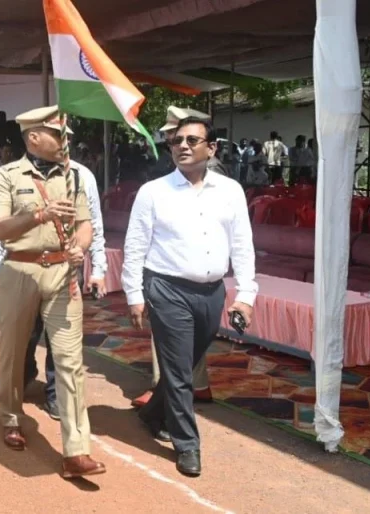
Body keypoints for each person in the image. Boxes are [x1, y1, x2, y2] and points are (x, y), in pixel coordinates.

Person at [123, 117, 258, 477]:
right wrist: (134, 294)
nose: (182, 146)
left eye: (192, 140)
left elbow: (243, 245)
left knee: (182, 365)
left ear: (211, 148)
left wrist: (246, 294)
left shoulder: (231, 191)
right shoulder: (153, 192)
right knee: (181, 371)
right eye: (176, 141)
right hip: (167, 289)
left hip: (212, 292)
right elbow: (135, 246)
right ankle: (188, 444)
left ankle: (153, 413)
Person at [0, 106, 105, 478]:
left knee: (70, 361)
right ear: (34, 137)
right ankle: (10, 417)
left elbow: (86, 225)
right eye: (58, 134)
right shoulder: (5, 177)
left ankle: (76, 450)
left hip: (62, 273)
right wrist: (38, 215)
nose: (65, 141)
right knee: (14, 350)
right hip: (20, 270)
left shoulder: (75, 177)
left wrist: (81, 247)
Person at [132, 106, 215, 409]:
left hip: (180, 268)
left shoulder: (209, 175)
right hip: (185, 269)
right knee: (185, 337)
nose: (172, 140)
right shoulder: (203, 168)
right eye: (171, 136)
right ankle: (198, 383)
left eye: (175, 133)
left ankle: (162, 390)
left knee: (170, 338)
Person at [22, 141, 109, 421]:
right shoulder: (18, 174)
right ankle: (23, 373)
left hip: (66, 268)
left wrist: (98, 269)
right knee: (26, 332)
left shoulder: (81, 176)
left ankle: (54, 393)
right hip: (27, 267)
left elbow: (93, 224)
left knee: (61, 336)